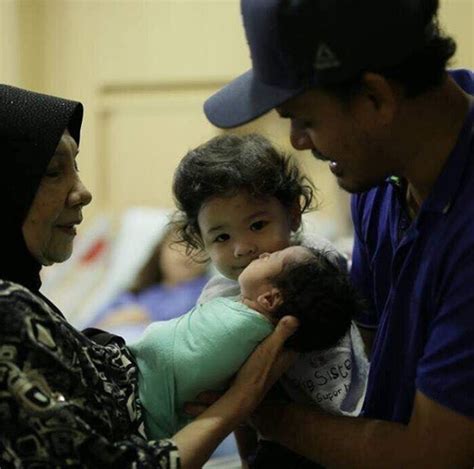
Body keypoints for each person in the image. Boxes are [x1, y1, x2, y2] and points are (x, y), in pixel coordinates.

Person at [201, 0, 474, 466]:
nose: (297, 141)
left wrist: (256, 411)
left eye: (304, 119)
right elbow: (372, 349)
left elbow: (432, 455)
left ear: (375, 99)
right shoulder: (382, 176)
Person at [0, 84, 298, 468]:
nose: (83, 191)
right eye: (54, 171)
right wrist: (241, 401)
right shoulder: (8, 309)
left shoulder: (25, 296)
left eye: (77, 166)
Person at [172, 133, 368, 467]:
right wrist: (248, 455)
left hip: (359, 422)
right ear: (200, 240)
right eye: (221, 236)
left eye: (258, 224)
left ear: (292, 213)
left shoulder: (319, 258)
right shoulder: (219, 304)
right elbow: (231, 393)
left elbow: (361, 324)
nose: (243, 248)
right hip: (282, 441)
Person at [129, 245, 361, 442]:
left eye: (272, 258)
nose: (262, 254)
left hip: (147, 406)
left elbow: (172, 354)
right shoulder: (251, 325)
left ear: (269, 299)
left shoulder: (240, 328)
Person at [90, 225, 210, 341]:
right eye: (180, 243)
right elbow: (91, 326)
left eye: (198, 245)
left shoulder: (205, 294)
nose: (187, 252)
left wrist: (136, 316)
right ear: (161, 250)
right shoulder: (137, 292)